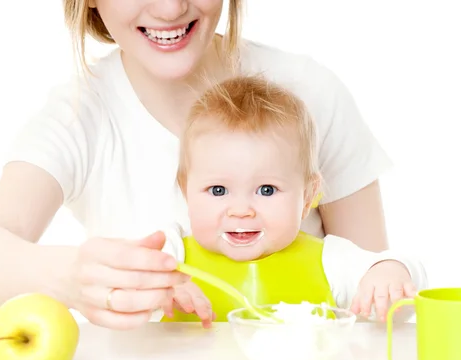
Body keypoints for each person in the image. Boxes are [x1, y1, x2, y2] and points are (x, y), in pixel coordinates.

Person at [0, 0, 396, 331]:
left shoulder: (309, 91)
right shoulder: (79, 115)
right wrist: (71, 279)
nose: (170, 8)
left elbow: (376, 311)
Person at [157, 75, 428, 328]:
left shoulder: (330, 261)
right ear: (186, 191)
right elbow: (127, 290)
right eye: (218, 190)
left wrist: (390, 273)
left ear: (308, 196)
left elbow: (400, 308)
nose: (241, 211)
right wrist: (154, 287)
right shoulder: (171, 256)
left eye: (266, 190)